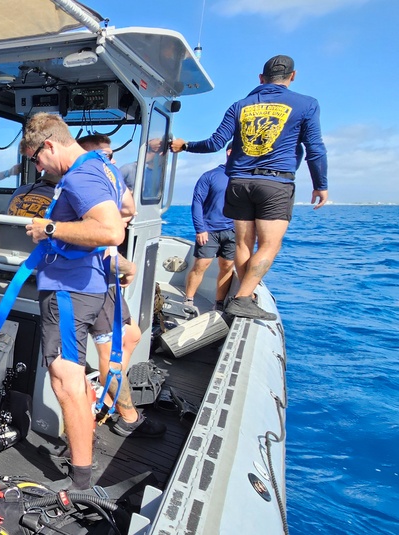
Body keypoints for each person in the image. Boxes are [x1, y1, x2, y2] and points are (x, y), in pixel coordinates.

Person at [172, 54, 328, 320]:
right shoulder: (306, 104)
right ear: (293, 76)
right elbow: (314, 148)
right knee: (270, 245)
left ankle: (241, 296)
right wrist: (320, 184)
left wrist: (185, 145)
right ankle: (243, 298)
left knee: (244, 244)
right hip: (275, 183)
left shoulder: (239, 106)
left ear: (260, 78)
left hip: (239, 182)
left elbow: (214, 143)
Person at [19, 113, 126, 490]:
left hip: (68, 292)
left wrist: (49, 227)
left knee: (67, 381)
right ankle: (116, 422)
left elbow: (111, 230)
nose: (37, 166)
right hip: (91, 285)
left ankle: (81, 480)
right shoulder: (104, 167)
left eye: (35, 158)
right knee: (80, 373)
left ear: (48, 145)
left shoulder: (79, 176)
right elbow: (125, 211)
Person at [74, 136, 163, 439]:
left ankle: (108, 394)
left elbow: (129, 212)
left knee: (133, 334)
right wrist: (128, 267)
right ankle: (127, 415)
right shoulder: (86, 189)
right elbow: (100, 243)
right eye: (103, 156)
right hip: (92, 280)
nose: (111, 162)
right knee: (111, 348)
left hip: (100, 274)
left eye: (112, 156)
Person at [184, 148, 236, 312]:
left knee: (227, 265)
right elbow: (197, 202)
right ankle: (188, 300)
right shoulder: (210, 176)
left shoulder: (244, 177)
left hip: (234, 231)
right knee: (201, 264)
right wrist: (200, 229)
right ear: (230, 152)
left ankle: (219, 303)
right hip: (209, 230)